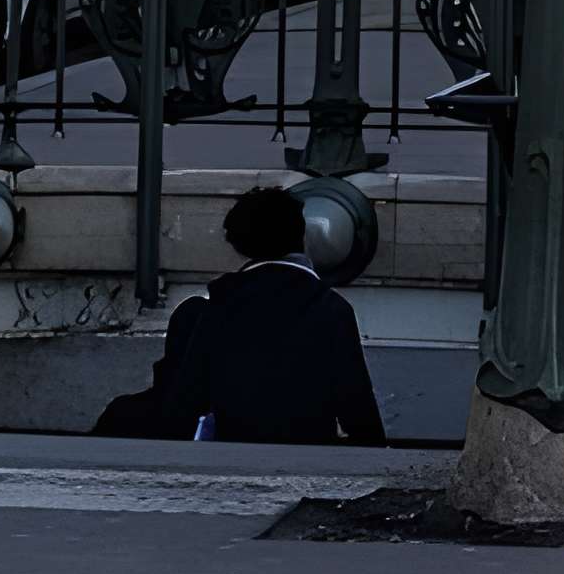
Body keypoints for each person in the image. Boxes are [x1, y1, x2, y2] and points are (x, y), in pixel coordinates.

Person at [96, 186, 385, 445]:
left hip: (232, 453)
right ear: (301, 237)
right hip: (306, 456)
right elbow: (355, 402)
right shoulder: (332, 310)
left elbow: (188, 396)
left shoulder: (221, 304)